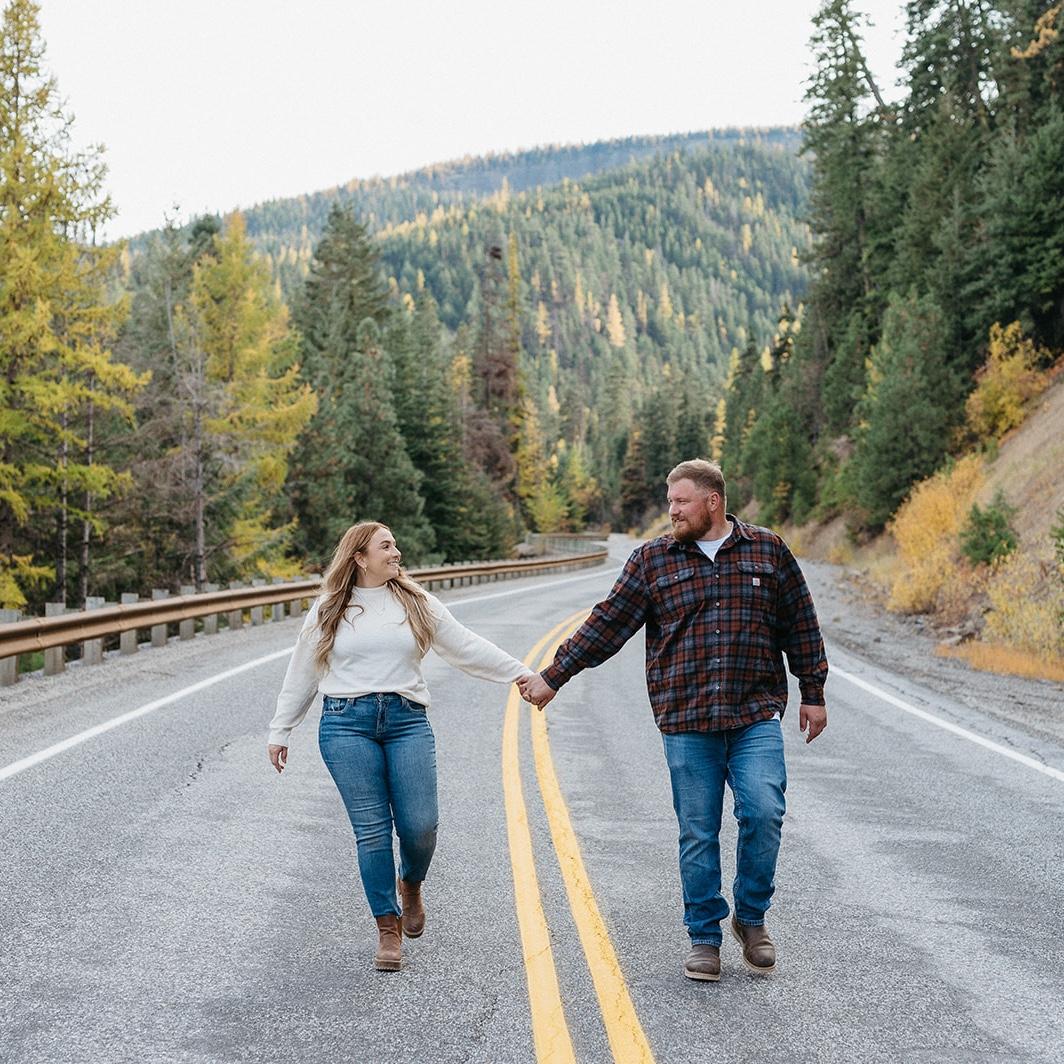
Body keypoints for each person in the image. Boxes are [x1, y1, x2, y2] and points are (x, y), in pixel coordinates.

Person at [518, 459, 828, 982]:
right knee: (698, 831)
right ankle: (704, 936)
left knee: (764, 812)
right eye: (670, 502)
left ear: (713, 501)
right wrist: (555, 675)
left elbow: (800, 623)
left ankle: (751, 918)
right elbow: (607, 624)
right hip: (686, 718)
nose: (673, 511)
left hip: (754, 713)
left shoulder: (767, 550)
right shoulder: (653, 560)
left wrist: (812, 692)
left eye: (681, 501)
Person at [268, 521, 533, 972]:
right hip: (345, 725)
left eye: (394, 545)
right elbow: (303, 671)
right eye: (386, 546)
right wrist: (281, 729)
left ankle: (411, 883)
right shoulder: (330, 607)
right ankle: (387, 929)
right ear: (360, 558)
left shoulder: (415, 601)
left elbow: (465, 645)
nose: (396, 552)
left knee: (420, 826)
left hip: (407, 721)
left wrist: (520, 673)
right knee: (372, 831)